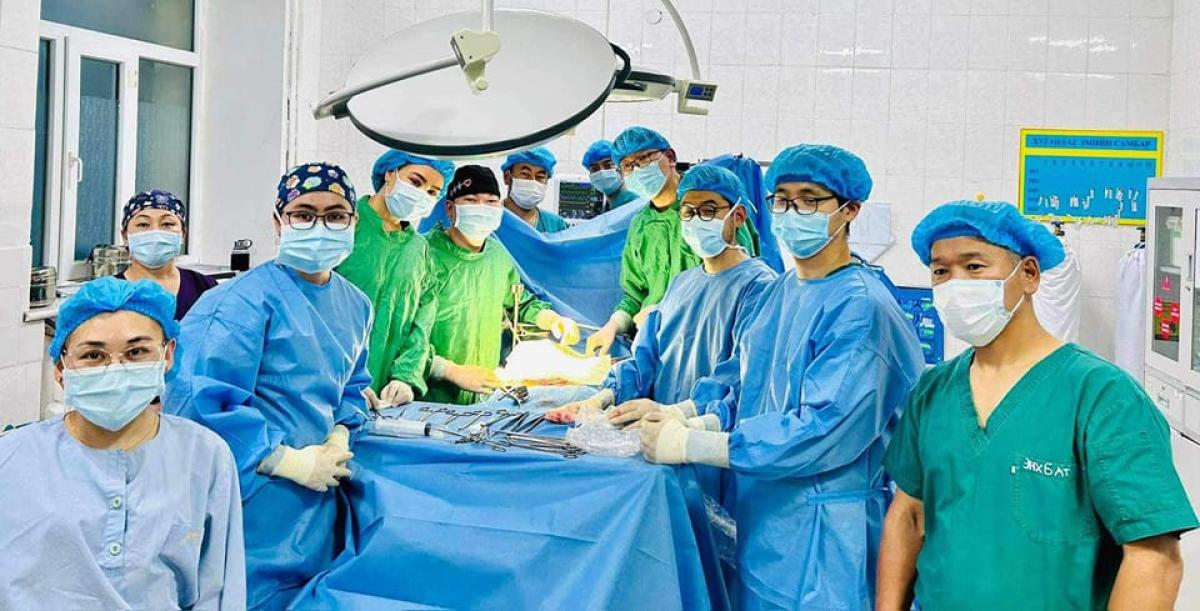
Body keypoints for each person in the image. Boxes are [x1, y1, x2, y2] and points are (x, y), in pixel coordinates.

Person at [610, 144, 925, 610]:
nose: (792, 212)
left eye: (809, 199)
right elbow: (745, 386)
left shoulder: (860, 307)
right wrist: (686, 417)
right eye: (782, 199)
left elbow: (822, 430)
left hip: (823, 539)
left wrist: (694, 444)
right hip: (765, 523)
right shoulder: (779, 293)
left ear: (850, 210)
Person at [876, 200, 1199, 611]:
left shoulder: (1103, 396)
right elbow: (908, 516)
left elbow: (1154, 558)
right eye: (941, 271)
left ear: (1029, 274)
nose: (956, 284)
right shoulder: (933, 391)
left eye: (974, 266)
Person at [164, 162, 370, 611]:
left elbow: (352, 386)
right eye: (303, 214)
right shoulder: (237, 302)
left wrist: (340, 435)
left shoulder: (356, 305)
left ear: (354, 221)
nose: (320, 226)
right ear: (278, 222)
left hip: (317, 501)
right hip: (252, 496)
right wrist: (286, 460)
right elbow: (199, 402)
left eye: (336, 215)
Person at [0, 277, 244, 610]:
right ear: (60, 368)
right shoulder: (12, 459)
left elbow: (218, 591)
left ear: (167, 354)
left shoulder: (204, 456)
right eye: (93, 355)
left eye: (136, 352)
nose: (115, 369)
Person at [547, 165, 775, 423]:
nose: (696, 220)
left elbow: (744, 374)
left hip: (708, 433)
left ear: (738, 216)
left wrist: (682, 413)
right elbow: (647, 358)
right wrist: (605, 396)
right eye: (688, 212)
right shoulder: (681, 284)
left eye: (708, 211)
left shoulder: (759, 287)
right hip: (657, 432)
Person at [584, 127, 757, 356]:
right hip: (653, 346)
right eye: (627, 166)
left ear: (671, 157)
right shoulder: (640, 225)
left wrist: (667, 312)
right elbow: (635, 295)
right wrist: (614, 325)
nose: (637, 170)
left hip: (708, 341)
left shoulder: (712, 215)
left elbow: (735, 285)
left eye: (644, 159)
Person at [423, 165, 579, 405]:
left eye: (491, 202)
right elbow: (401, 334)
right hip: (428, 397)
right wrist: (447, 370)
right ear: (450, 208)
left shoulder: (497, 255)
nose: (482, 208)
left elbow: (519, 301)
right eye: (471, 200)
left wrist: (550, 319)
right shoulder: (424, 255)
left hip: (484, 397)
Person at [336, 149, 454, 407]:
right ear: (390, 174)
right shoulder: (343, 226)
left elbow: (422, 322)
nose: (422, 194)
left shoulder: (418, 249)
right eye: (416, 182)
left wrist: (405, 376)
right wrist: (341, 381)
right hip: (332, 385)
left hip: (385, 398)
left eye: (432, 192)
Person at [116, 189, 217, 319]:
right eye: (143, 224)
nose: (155, 233)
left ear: (182, 234)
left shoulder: (204, 287)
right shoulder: (108, 293)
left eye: (167, 224)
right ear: (125, 236)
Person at [502, 146, 569, 233]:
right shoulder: (490, 219)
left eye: (540, 177)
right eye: (525, 174)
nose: (532, 181)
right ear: (507, 177)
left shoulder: (556, 225)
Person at [582, 139, 641, 211]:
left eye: (608, 165)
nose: (602, 172)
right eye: (595, 168)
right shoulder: (609, 207)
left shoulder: (634, 205)